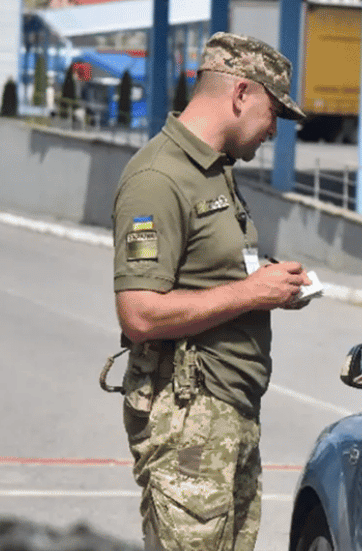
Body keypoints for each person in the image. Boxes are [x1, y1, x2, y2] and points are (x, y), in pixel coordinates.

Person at [110, 31, 312, 551]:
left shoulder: (214, 170)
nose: (273, 130)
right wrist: (251, 293)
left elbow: (208, 274)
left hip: (229, 409)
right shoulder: (159, 177)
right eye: (273, 113)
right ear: (241, 94)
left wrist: (270, 284)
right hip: (189, 418)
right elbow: (140, 313)